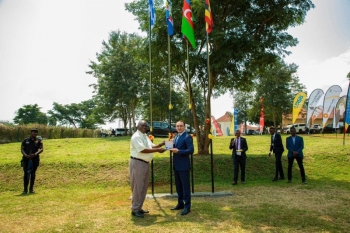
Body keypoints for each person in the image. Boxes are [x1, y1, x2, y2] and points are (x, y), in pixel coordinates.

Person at [129, 120, 166, 218]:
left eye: (146, 125)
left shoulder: (144, 136)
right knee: (137, 187)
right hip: (138, 163)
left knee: (143, 187)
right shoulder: (136, 137)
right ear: (138, 126)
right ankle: (135, 209)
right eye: (143, 125)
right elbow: (142, 149)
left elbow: (151, 146)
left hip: (145, 163)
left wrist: (160, 145)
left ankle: (139, 207)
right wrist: (157, 150)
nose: (145, 127)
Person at [169, 120, 194, 216]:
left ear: (184, 127)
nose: (179, 127)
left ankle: (187, 206)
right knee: (179, 186)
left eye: (181, 126)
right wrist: (169, 146)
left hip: (183, 166)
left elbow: (191, 150)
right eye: (177, 126)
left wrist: (178, 151)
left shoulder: (187, 137)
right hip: (176, 165)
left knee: (185, 187)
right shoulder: (176, 136)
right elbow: (174, 147)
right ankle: (180, 203)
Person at [21, 128, 43, 194]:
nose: (35, 134)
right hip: (26, 159)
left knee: (33, 174)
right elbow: (22, 149)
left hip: (35, 159)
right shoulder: (25, 140)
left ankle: (31, 189)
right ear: (31, 133)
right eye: (34, 132)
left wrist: (35, 154)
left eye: (36, 132)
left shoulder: (39, 141)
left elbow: (41, 149)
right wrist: (26, 155)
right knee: (26, 174)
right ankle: (25, 190)